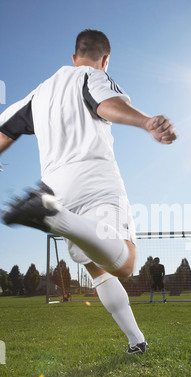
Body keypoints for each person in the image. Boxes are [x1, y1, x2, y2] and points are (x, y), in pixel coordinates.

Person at [0, 29, 177, 354]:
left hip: (54, 187)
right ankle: (55, 217)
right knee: (124, 264)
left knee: (95, 266)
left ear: (73, 55)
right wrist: (145, 122)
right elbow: (105, 104)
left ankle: (136, 341)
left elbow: (4, 130)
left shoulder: (38, 93)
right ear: (105, 59)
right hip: (95, 179)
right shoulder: (93, 76)